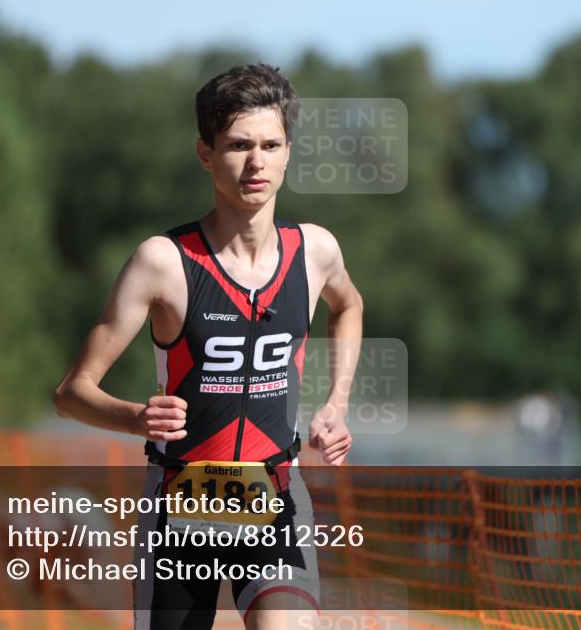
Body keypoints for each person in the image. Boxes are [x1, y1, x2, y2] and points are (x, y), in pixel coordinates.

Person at [54, 62, 364, 630]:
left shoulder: (315, 251)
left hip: (275, 496)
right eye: (238, 145)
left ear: (289, 153)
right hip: (181, 502)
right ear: (205, 153)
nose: (256, 162)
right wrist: (135, 418)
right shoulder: (163, 262)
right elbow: (71, 393)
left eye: (271, 145)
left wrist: (336, 402)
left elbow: (349, 306)